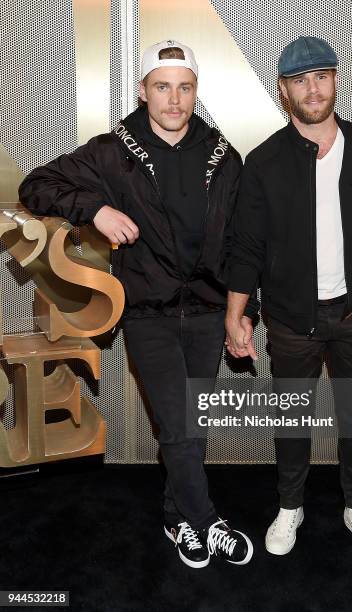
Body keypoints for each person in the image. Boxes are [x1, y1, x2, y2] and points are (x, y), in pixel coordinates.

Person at [19, 39, 254, 569]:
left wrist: (244, 313)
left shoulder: (224, 157)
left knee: (191, 424)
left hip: (209, 310)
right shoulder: (113, 152)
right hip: (148, 312)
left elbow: (243, 245)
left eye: (185, 87)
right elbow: (38, 186)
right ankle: (205, 519)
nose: (174, 100)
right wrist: (94, 209)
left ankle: (176, 517)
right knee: (176, 423)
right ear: (143, 90)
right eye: (163, 87)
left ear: (196, 92)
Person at [225, 36, 352, 561]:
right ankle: (290, 505)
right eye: (300, 80)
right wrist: (237, 316)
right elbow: (246, 247)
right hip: (287, 318)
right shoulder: (264, 162)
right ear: (285, 90)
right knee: (292, 416)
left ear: (334, 79)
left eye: (320, 76)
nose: (312, 88)